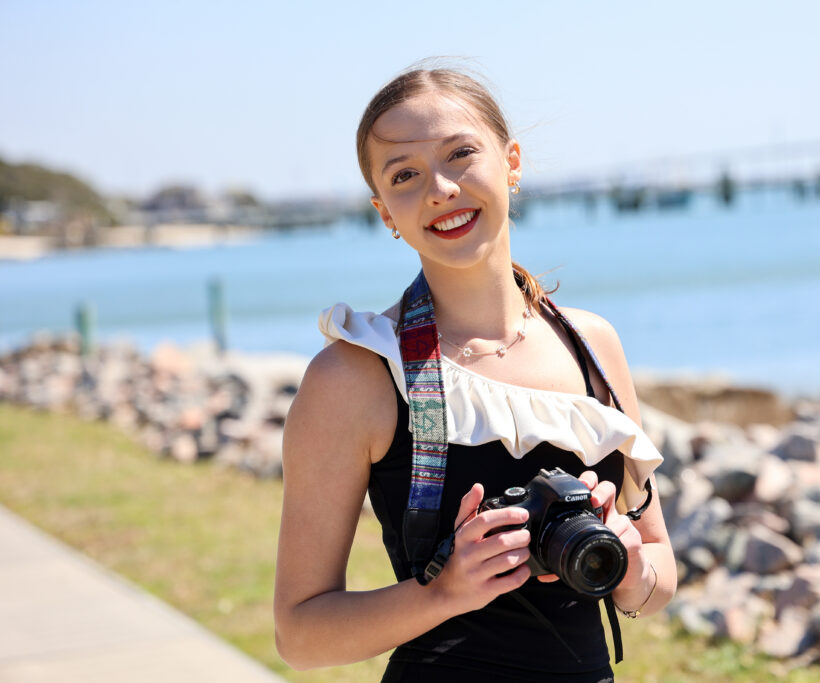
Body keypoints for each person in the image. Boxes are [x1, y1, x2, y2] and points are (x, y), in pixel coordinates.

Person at [273, 67, 675, 682]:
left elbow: (658, 579)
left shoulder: (591, 345)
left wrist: (624, 559)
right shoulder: (358, 374)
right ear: (385, 213)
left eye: (461, 154)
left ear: (511, 162)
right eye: (405, 174)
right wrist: (443, 591)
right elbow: (300, 635)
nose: (440, 189)